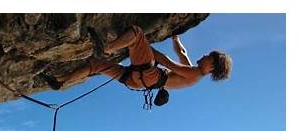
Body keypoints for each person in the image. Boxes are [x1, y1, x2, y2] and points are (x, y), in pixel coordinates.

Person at [42, 25, 232, 95]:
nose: (205, 55)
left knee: (137, 34)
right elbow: (182, 54)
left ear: (212, 66)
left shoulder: (196, 73)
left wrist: (149, 49)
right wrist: (176, 37)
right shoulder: (192, 73)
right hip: (137, 83)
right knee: (96, 67)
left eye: (209, 57)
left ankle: (107, 48)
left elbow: (168, 63)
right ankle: (60, 82)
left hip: (149, 76)